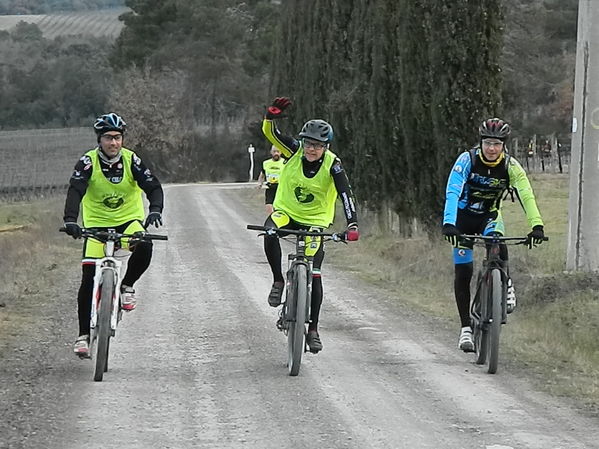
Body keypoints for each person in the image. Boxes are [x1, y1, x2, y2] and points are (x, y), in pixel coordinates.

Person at [260, 96, 359, 353]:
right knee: (269, 230)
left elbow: (346, 194)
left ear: (326, 147)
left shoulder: (333, 165)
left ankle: (313, 329)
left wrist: (352, 224)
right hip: (287, 212)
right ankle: (278, 281)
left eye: (318, 145)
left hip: (315, 221)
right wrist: (271, 116)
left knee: (315, 274)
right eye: (308, 144)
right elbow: (271, 133)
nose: (311, 149)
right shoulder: (293, 151)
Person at [63, 112, 164, 358]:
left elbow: (153, 186)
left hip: (128, 221)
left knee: (145, 244)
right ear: (99, 139)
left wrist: (155, 210)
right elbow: (75, 190)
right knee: (88, 277)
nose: (114, 143)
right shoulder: (87, 162)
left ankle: (127, 286)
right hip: (96, 226)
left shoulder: (132, 160)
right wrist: (70, 220)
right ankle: (83, 336)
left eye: (118, 138)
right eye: (108, 138)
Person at [442, 118, 545, 352]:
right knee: (463, 271)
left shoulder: (511, 166)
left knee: (498, 244)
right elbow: (452, 192)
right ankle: (466, 328)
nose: (492, 148)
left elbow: (526, 195)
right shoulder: (466, 161)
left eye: (497, 144)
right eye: (488, 143)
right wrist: (449, 223)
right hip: (462, 219)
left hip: (489, 216)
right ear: (480, 142)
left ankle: (505, 283)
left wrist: (536, 225)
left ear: (504, 145)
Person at [256, 145, 285, 215]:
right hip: (270, 187)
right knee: (269, 207)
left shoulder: (285, 162)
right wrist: (260, 183)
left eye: (278, 151)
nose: (276, 154)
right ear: (271, 152)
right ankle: (272, 220)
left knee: (280, 208)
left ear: (281, 152)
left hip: (281, 188)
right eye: (274, 151)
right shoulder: (266, 163)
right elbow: (262, 175)